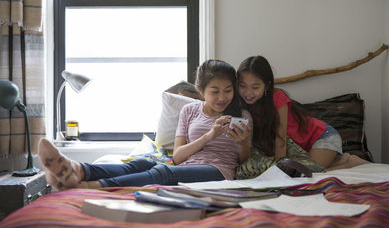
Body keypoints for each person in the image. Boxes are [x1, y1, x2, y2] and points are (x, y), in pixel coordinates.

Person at [39, 59, 252, 190]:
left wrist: (243, 143)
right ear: (201, 91)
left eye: (228, 90)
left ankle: (83, 186)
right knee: (140, 164)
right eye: (215, 91)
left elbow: (242, 159)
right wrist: (209, 136)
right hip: (185, 164)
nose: (222, 97)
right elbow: (177, 156)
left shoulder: (241, 115)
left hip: (218, 171)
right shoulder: (189, 110)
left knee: (163, 173)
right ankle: (78, 169)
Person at [236, 55, 369, 171]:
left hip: (323, 137)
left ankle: (350, 163)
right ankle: (341, 160)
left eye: (255, 87)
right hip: (302, 152)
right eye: (242, 86)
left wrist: (278, 171)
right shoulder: (241, 104)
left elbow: (280, 139)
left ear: (267, 85)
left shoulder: (277, 98)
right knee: (297, 170)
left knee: (302, 173)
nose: (248, 93)